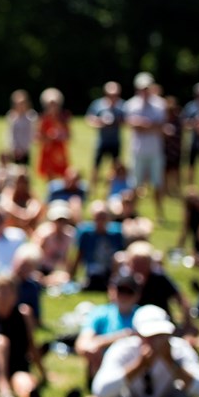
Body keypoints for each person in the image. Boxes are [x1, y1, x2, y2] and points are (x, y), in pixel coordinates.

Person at [91, 305, 199, 397]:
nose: (157, 341)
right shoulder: (123, 348)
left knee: (185, 387)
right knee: (114, 393)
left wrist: (172, 364)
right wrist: (139, 365)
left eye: (161, 335)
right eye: (150, 336)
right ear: (137, 334)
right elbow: (100, 390)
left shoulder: (179, 348)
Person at [74, 274, 142, 397]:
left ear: (137, 295)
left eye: (129, 292)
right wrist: (122, 336)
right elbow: (82, 345)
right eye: (121, 290)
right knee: (92, 349)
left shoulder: (143, 315)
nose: (124, 296)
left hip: (133, 365)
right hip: (104, 365)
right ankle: (99, 391)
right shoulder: (100, 313)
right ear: (113, 291)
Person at [125, 71, 167, 222]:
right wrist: (147, 125)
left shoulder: (160, 104)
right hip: (137, 150)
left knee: (157, 184)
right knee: (135, 184)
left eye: (147, 88)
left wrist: (144, 124)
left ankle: (159, 213)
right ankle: (132, 212)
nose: (145, 91)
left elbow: (160, 125)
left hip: (155, 150)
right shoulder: (131, 104)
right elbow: (132, 124)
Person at [70, 199, 125, 291]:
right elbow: (79, 254)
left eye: (103, 217)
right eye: (98, 218)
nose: (100, 221)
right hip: (93, 272)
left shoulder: (117, 234)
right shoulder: (86, 234)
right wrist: (71, 276)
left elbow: (122, 254)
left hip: (110, 270)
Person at [85, 81, 127, 191]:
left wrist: (117, 121)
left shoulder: (122, 106)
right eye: (111, 95)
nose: (113, 97)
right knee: (96, 167)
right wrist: (100, 122)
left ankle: (112, 189)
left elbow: (127, 121)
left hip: (115, 141)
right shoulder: (98, 104)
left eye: (116, 95)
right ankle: (92, 189)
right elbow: (89, 119)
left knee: (116, 168)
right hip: (102, 141)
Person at [37, 87, 71, 181]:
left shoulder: (63, 119)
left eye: (55, 104)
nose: (53, 107)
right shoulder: (44, 119)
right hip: (48, 150)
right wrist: (49, 137)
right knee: (49, 174)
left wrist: (60, 136)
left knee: (62, 173)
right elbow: (39, 136)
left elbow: (68, 135)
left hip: (59, 150)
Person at [5, 89, 37, 167]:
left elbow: (32, 133)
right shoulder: (12, 117)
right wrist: (13, 148)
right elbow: (10, 134)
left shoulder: (31, 117)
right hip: (15, 150)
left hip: (26, 149)